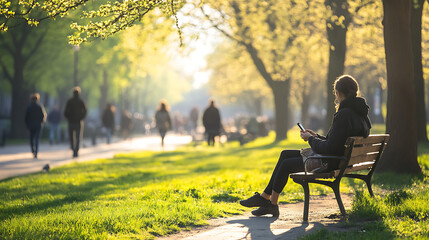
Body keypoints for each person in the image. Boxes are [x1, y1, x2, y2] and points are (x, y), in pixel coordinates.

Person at [239, 75, 372, 217]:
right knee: (285, 154)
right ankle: (265, 198)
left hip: (330, 162)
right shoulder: (361, 115)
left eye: (335, 93)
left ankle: (271, 204)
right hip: (340, 160)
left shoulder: (344, 115)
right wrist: (315, 136)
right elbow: (335, 143)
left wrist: (310, 139)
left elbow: (329, 148)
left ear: (338, 93)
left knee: (286, 165)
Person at [64, 87, 87, 158]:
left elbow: (65, 112)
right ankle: (76, 150)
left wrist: (69, 118)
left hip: (71, 122)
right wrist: (81, 118)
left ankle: (73, 149)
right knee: (78, 137)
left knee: (71, 137)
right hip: (78, 122)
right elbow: (85, 111)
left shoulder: (69, 101)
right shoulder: (81, 102)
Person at [25, 93, 47, 159]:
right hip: (38, 125)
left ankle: (33, 150)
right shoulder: (39, 106)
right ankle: (36, 152)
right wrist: (42, 122)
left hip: (31, 125)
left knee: (31, 139)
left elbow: (26, 117)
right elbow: (43, 116)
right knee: (37, 139)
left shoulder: (29, 107)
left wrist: (27, 125)